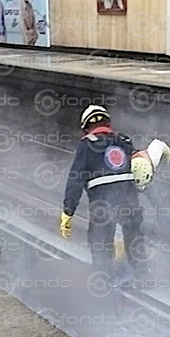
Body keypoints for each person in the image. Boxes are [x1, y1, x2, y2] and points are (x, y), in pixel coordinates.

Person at [59, 105, 145, 279]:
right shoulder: (124, 141)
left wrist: (68, 211)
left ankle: (104, 279)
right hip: (129, 202)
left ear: (86, 127)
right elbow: (142, 171)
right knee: (134, 239)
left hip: (102, 205)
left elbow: (76, 179)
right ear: (108, 123)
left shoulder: (86, 144)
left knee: (100, 242)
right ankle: (144, 277)